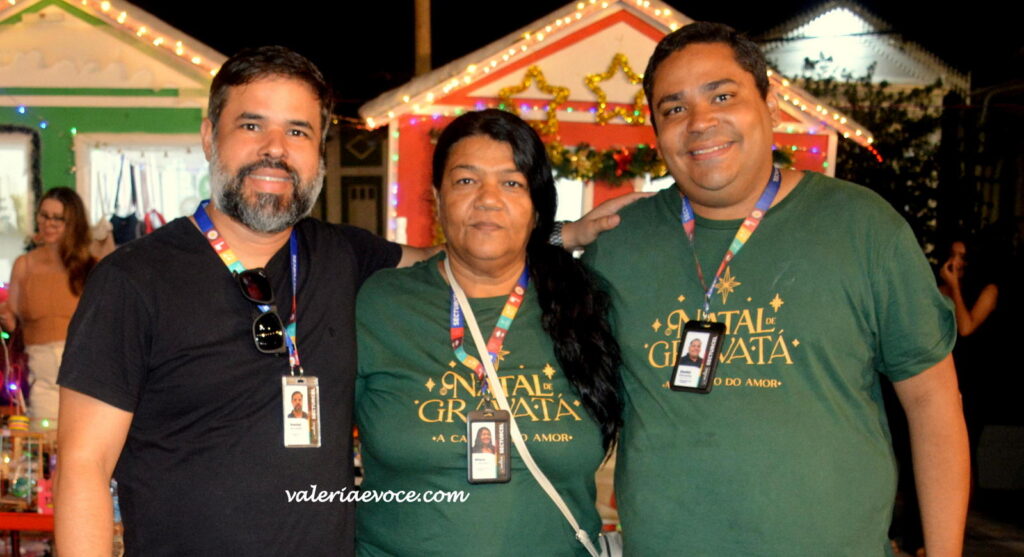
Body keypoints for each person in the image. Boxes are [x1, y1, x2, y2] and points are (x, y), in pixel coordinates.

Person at [580, 22, 969, 556]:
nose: (699, 121)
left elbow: (932, 403)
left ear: (771, 104)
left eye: (722, 96)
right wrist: (560, 235)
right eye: (674, 108)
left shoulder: (863, 227)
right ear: (656, 130)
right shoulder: (618, 246)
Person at [54, 46, 434, 556]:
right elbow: (83, 466)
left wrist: (541, 228)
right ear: (210, 137)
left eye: (298, 131)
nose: (275, 149)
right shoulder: (133, 280)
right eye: (252, 126)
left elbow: (458, 263)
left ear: (320, 153)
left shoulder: (342, 255)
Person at [355, 109, 622, 556]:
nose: (488, 199)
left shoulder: (588, 305)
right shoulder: (379, 304)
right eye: (466, 180)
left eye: (512, 183)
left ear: (537, 207)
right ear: (437, 198)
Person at [0, 187, 96, 428]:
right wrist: (5, 316)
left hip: (83, 371)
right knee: (44, 437)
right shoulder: (24, 264)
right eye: (44, 215)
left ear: (73, 222)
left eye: (57, 218)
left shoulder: (91, 264)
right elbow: (11, 320)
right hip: (41, 371)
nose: (48, 224)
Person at [938, 239, 998, 337]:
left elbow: (965, 329)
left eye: (962, 257)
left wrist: (954, 287)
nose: (954, 262)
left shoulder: (990, 290)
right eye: (952, 255)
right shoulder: (945, 288)